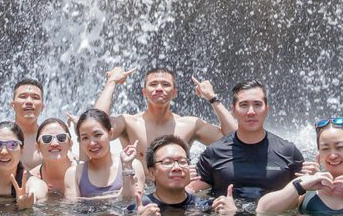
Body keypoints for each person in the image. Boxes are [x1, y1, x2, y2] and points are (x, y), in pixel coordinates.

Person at [194, 81, 304, 216]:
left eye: (257, 105)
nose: (251, 112)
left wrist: (313, 179)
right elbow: (189, 194)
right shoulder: (214, 152)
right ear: (233, 110)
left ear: (266, 109)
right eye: (244, 105)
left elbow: (303, 197)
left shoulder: (288, 152)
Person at [255, 116, 343, 216]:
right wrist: (299, 186)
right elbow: (262, 211)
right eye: (325, 149)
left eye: (339, 147)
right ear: (319, 152)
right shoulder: (307, 185)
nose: (333, 155)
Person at [94, 65, 237, 153]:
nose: (159, 89)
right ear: (144, 92)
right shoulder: (128, 123)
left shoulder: (190, 125)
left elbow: (234, 139)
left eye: (165, 84)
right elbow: (95, 124)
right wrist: (111, 82)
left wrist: (212, 98)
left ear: (174, 93)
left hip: (177, 196)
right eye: (153, 84)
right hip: (138, 195)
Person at [129, 135, 230, 216]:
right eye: (167, 162)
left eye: (182, 161)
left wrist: (230, 215)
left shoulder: (205, 207)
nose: (177, 168)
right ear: (151, 172)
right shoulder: (138, 209)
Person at [66, 108, 143, 200]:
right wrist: (119, 195)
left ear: (110, 133)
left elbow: (133, 200)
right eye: (85, 138)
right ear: (80, 141)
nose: (92, 143)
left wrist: (126, 166)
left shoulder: (133, 165)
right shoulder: (73, 173)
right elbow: (71, 207)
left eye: (97, 135)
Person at [33, 117, 75, 195]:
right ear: (38, 147)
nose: (54, 143)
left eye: (61, 137)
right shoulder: (33, 177)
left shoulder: (84, 173)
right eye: (47, 138)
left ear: (70, 143)